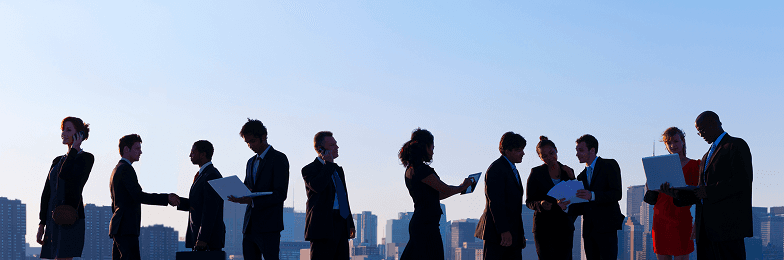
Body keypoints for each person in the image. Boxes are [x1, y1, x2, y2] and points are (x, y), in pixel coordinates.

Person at [666, 111, 753, 260]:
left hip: (728, 228)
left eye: (702, 130)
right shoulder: (706, 156)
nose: (701, 135)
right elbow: (699, 191)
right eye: (699, 132)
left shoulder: (735, 145)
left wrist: (708, 191)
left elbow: (742, 181)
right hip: (706, 230)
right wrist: (673, 192)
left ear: (715, 123)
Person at [399, 128, 473, 260]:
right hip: (426, 226)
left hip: (422, 223)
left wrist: (460, 189)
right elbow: (444, 189)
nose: (433, 152)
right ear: (425, 147)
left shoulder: (411, 170)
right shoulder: (422, 170)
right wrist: (463, 186)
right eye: (432, 148)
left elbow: (437, 195)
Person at [109, 134, 181, 260]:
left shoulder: (117, 169)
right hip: (126, 228)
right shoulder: (126, 170)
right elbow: (138, 196)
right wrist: (166, 198)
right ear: (126, 149)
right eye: (137, 148)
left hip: (119, 227)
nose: (140, 152)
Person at [228, 119, 290, 260]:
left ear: (264, 137)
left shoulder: (279, 158)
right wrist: (239, 195)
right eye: (247, 142)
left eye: (253, 141)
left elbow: (280, 194)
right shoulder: (250, 162)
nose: (250, 145)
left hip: (269, 226)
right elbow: (247, 187)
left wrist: (253, 201)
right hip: (249, 226)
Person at [37, 117, 95, 260]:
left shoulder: (86, 158)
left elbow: (65, 174)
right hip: (52, 217)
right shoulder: (57, 160)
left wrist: (74, 149)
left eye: (69, 130)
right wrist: (41, 223)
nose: (64, 133)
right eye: (63, 130)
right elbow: (46, 192)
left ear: (79, 135)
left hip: (70, 216)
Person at [644, 127, 699, 260]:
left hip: (681, 220)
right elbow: (650, 196)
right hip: (660, 219)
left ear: (683, 142)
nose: (673, 145)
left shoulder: (695, 165)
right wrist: (650, 186)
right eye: (669, 143)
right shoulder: (658, 165)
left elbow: (698, 196)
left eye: (676, 141)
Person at [302, 131, 357, 259]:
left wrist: (350, 223)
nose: (337, 147)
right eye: (332, 145)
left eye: (336, 144)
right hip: (322, 226)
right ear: (321, 149)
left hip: (341, 223)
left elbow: (343, 197)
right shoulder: (309, 169)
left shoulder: (338, 170)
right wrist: (328, 165)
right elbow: (318, 186)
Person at [570, 134, 624, 260]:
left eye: (581, 150)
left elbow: (617, 193)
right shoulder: (581, 177)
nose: (577, 154)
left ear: (592, 150)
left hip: (607, 227)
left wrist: (592, 195)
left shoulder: (609, 165)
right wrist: (566, 206)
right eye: (577, 150)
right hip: (589, 230)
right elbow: (582, 206)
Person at [475, 132, 527, 260]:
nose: (523, 153)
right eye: (518, 150)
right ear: (507, 151)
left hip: (511, 234)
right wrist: (503, 230)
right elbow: (496, 202)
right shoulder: (497, 169)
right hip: (498, 235)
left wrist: (519, 235)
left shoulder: (511, 169)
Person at [525, 136, 576, 260]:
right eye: (544, 156)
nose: (549, 158)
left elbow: (576, 198)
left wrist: (572, 178)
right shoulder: (536, 173)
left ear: (556, 150)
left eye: (551, 153)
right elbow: (529, 202)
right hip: (544, 228)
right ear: (540, 158)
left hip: (565, 227)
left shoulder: (567, 171)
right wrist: (541, 204)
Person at [175, 140, 226, 251]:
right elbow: (199, 204)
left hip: (208, 241)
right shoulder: (203, 174)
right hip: (201, 238)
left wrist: (203, 238)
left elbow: (210, 209)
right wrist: (179, 202)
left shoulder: (211, 175)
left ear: (203, 154)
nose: (190, 155)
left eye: (193, 152)